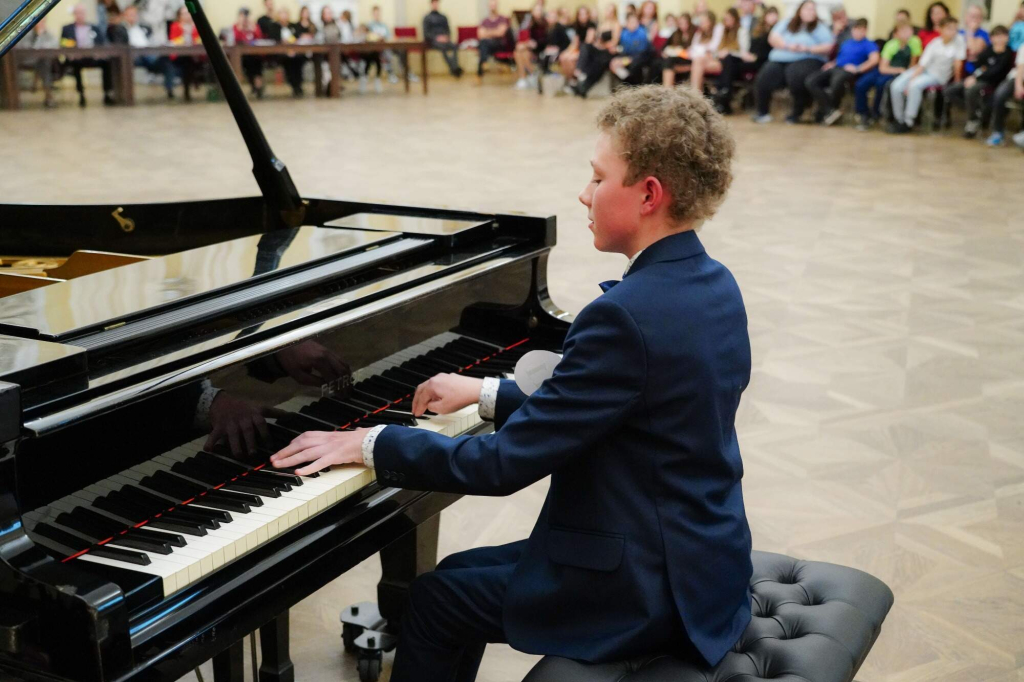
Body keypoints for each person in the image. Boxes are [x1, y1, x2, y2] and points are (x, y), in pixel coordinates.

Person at [270, 84, 753, 682]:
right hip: (702, 561)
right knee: (454, 574)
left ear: (649, 194)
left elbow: (500, 467)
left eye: (598, 177)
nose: (584, 193)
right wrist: (485, 393)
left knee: (436, 601)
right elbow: (615, 407)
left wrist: (370, 442)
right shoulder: (714, 284)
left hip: (645, 587)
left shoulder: (624, 317)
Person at [752, 0, 834, 124]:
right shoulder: (787, 23)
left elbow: (828, 46)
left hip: (808, 58)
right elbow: (773, 37)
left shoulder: (819, 27)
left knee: (795, 75)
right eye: (807, 9)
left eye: (813, 9)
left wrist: (807, 48)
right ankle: (762, 112)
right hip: (781, 57)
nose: (810, 12)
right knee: (765, 75)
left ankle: (797, 113)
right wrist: (788, 46)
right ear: (800, 10)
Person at [889, 15, 964, 133]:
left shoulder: (959, 41)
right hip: (923, 70)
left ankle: (908, 121)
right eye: (949, 28)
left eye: (955, 28)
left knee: (915, 86)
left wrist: (957, 81)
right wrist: (910, 80)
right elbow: (922, 65)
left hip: (938, 76)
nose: (953, 31)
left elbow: (958, 64)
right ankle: (899, 119)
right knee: (896, 86)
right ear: (941, 29)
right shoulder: (935, 43)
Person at [806, 17, 879, 125]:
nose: (857, 32)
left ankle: (830, 110)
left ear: (865, 31)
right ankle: (830, 110)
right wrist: (832, 63)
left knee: (836, 82)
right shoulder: (847, 43)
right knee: (811, 81)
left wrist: (858, 68)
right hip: (836, 67)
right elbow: (840, 57)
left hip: (849, 71)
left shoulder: (869, 44)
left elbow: (874, 60)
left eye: (860, 30)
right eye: (855, 29)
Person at [946, 25, 1013, 137]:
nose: (1000, 39)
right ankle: (976, 111)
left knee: (971, 90)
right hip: (978, 78)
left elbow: (996, 72)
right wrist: (974, 75)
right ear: (991, 38)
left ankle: (973, 120)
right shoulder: (988, 50)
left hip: (992, 83)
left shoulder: (1007, 53)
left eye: (1003, 36)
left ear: (1007, 38)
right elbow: (977, 64)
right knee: (950, 90)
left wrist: (977, 76)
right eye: (997, 36)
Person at [854, 19, 921, 129]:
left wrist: (906, 75)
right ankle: (863, 113)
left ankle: (877, 113)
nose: (907, 34)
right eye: (903, 31)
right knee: (861, 84)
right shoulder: (891, 45)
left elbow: (913, 63)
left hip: (903, 74)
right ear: (896, 34)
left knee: (882, 85)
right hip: (888, 70)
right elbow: (883, 68)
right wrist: (899, 70)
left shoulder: (915, 42)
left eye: (909, 30)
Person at [712, 5, 777, 113]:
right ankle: (724, 94)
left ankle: (724, 94)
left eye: (774, 15)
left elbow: (767, 51)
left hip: (761, 61)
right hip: (749, 57)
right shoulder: (759, 30)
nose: (772, 18)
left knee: (729, 62)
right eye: (770, 15)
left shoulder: (775, 32)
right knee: (729, 62)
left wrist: (755, 57)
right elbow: (752, 49)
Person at [108, 5, 177, 99]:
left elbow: (152, 41)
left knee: (166, 60)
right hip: (132, 56)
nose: (132, 17)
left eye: (134, 15)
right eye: (130, 15)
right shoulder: (120, 29)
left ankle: (170, 89)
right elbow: (119, 46)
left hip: (148, 52)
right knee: (128, 63)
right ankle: (128, 94)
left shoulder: (145, 28)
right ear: (125, 16)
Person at [61, 3, 115, 107]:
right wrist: (71, 53)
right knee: (75, 64)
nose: (80, 15)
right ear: (74, 14)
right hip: (77, 57)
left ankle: (107, 93)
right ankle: (81, 94)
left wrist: (99, 53)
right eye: (78, 13)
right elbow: (63, 44)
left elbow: (101, 43)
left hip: (93, 56)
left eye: (82, 13)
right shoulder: (67, 29)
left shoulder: (94, 28)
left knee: (107, 63)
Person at [573, 3, 620, 97]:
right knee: (586, 47)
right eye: (608, 10)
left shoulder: (616, 24)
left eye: (611, 11)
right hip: (600, 49)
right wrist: (598, 45)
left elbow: (614, 41)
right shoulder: (602, 24)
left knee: (599, 63)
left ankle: (584, 86)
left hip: (608, 51)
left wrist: (603, 46)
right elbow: (597, 40)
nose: (609, 13)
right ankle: (579, 71)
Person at [985, 43, 1024, 145]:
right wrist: (1018, 86)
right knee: (1000, 95)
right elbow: (1020, 68)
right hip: (1017, 78)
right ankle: (997, 131)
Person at [15, 18, 59, 108]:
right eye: (39, 22)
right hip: (27, 60)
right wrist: (39, 36)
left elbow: (55, 44)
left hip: (42, 61)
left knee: (44, 62)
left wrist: (41, 36)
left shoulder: (48, 34)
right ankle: (48, 93)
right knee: (44, 63)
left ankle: (47, 93)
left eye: (43, 22)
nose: (41, 24)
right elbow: (25, 48)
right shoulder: (27, 34)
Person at [686, 9, 729, 94]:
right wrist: (703, 51)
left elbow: (714, 48)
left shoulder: (718, 29)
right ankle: (696, 94)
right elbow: (692, 49)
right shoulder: (699, 33)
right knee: (698, 63)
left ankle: (695, 94)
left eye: (703, 21)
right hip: (703, 61)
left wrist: (702, 51)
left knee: (697, 63)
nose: (701, 24)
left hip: (717, 61)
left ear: (710, 21)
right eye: (700, 22)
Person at [169, 6, 202, 101]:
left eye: (188, 13)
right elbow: (173, 41)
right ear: (179, 16)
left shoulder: (197, 26)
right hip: (179, 56)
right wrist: (184, 36)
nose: (187, 15)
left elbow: (199, 40)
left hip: (196, 55)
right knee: (187, 61)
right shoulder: (175, 26)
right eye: (184, 13)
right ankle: (188, 90)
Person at [609, 10, 652, 83]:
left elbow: (641, 53)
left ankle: (633, 84)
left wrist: (625, 61)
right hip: (628, 56)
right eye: (631, 22)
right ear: (627, 23)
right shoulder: (624, 33)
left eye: (636, 22)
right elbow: (624, 49)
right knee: (613, 63)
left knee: (634, 66)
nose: (634, 24)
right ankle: (627, 81)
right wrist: (619, 59)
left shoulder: (642, 33)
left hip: (641, 57)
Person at [424, 0, 463, 77]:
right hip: (434, 41)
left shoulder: (443, 17)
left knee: (454, 46)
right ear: (431, 4)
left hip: (445, 39)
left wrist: (446, 37)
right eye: (434, 3)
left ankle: (454, 68)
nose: (435, 5)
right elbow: (426, 33)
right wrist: (437, 38)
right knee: (443, 48)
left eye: (437, 3)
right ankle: (454, 68)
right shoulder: (427, 18)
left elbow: (448, 30)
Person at [558, 5, 595, 86]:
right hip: (579, 48)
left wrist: (574, 53)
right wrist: (567, 52)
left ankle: (575, 80)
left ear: (588, 15)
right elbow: (575, 43)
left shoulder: (591, 25)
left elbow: (588, 43)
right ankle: (570, 80)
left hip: (588, 50)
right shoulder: (576, 26)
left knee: (570, 59)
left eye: (584, 14)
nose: (583, 16)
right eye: (581, 14)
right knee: (563, 57)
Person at [232, 7, 265, 98]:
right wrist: (240, 27)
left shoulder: (254, 26)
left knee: (256, 64)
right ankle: (246, 88)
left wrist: (252, 28)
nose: (245, 18)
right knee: (243, 64)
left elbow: (259, 38)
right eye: (242, 15)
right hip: (241, 56)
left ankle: (258, 88)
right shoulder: (236, 27)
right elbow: (235, 39)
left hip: (254, 55)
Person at [514, 3, 548, 88]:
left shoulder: (545, 24)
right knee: (517, 52)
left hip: (541, 48)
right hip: (530, 46)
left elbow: (544, 40)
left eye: (539, 10)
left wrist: (527, 44)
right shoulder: (529, 23)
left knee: (525, 53)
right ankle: (522, 78)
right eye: (536, 10)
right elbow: (526, 37)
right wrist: (525, 44)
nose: (538, 12)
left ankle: (532, 75)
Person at [476, 0, 511, 81]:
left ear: (497, 6)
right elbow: (480, 35)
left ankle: (482, 66)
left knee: (483, 44)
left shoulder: (502, 19)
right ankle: (484, 62)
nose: (493, 7)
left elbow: (501, 33)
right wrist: (495, 31)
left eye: (494, 5)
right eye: (491, 5)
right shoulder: (484, 21)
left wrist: (487, 32)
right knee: (483, 43)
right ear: (488, 7)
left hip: (500, 44)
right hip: (487, 44)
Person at [659, 11, 693, 87]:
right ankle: (667, 87)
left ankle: (668, 87)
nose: (683, 25)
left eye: (685, 23)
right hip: (676, 58)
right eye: (681, 23)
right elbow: (664, 47)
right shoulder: (676, 33)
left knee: (669, 62)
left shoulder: (694, 33)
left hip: (689, 58)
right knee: (665, 61)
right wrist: (665, 53)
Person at [961, 4, 991, 74]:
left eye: (978, 16)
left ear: (981, 19)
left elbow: (973, 51)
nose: (974, 19)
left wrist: (971, 31)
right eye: (972, 16)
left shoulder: (985, 34)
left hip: (975, 70)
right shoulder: (959, 33)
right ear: (966, 16)